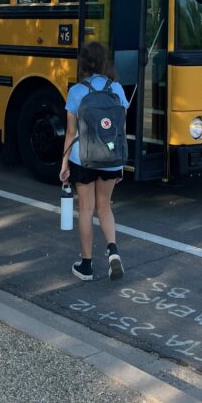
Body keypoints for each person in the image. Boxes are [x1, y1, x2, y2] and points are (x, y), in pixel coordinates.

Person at [59, 42, 129, 282]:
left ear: (84, 63)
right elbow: (120, 128)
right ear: (104, 62)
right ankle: (113, 251)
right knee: (105, 207)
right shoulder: (117, 89)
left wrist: (64, 164)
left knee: (87, 210)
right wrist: (119, 164)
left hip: (83, 158)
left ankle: (86, 265)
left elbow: (70, 132)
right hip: (110, 158)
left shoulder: (77, 91)